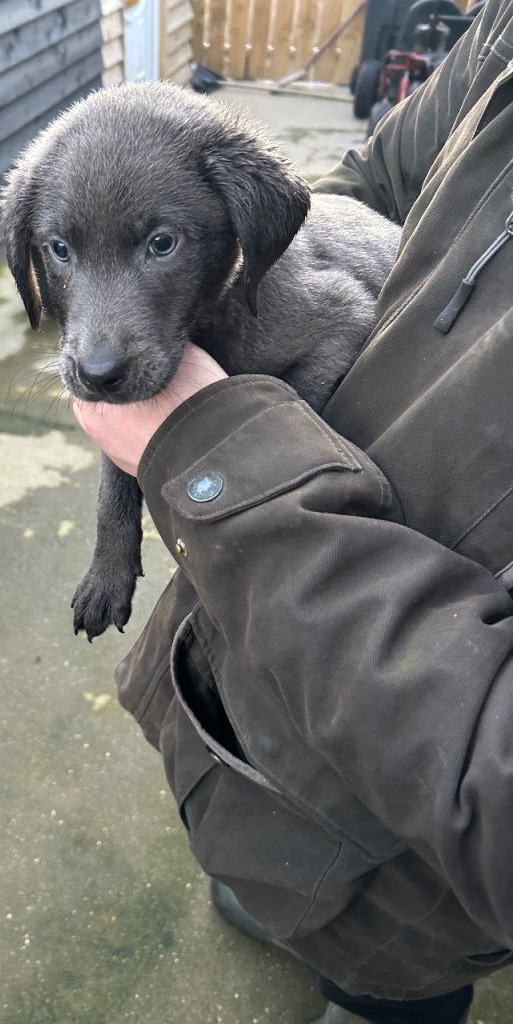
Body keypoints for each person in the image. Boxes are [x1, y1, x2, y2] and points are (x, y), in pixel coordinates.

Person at [72, 0, 513, 1021]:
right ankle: (264, 880)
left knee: (379, 971)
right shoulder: (502, 34)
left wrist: (224, 461)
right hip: (270, 710)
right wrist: (206, 291)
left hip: (416, 887)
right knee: (262, 835)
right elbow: (368, 185)